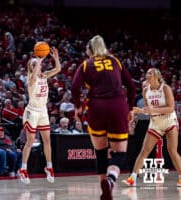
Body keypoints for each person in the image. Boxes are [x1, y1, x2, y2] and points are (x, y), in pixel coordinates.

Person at [71, 35, 136, 200]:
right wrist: (130, 108)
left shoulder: (86, 64)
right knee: (119, 154)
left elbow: (74, 87)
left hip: (97, 107)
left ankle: (104, 190)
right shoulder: (115, 61)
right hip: (117, 107)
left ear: (90, 50)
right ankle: (111, 180)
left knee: (100, 152)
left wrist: (78, 106)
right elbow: (131, 86)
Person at [123, 68, 181, 187]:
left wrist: (152, 110)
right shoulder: (145, 91)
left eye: (150, 73)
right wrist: (139, 110)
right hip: (155, 122)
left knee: (172, 151)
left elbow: (171, 108)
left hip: (169, 120)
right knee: (144, 150)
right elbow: (148, 111)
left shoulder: (165, 88)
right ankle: (132, 178)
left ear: (156, 76)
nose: (147, 74)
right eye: (147, 72)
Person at [18, 47, 61, 184]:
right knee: (30, 140)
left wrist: (56, 58)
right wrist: (39, 61)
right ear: (30, 68)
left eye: (37, 64)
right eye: (33, 64)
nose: (37, 66)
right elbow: (34, 73)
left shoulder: (44, 75)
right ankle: (23, 169)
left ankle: (49, 167)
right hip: (32, 112)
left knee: (47, 140)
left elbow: (58, 69)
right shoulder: (30, 79)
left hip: (43, 111)